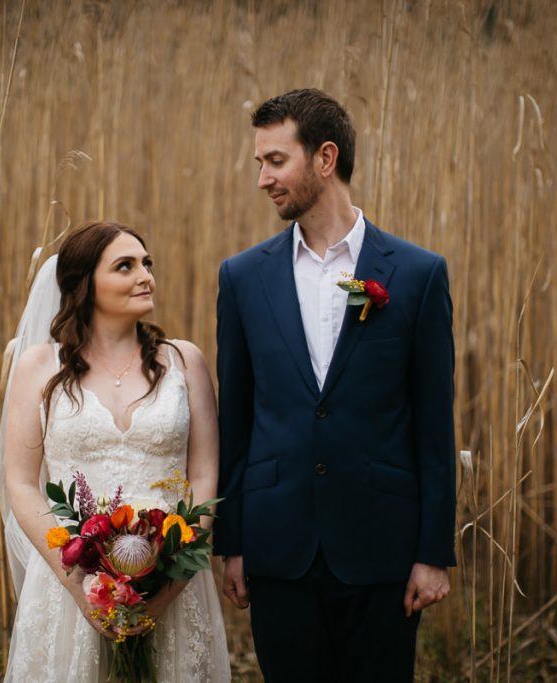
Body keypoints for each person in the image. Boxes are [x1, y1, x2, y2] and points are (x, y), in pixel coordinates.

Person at [214, 89, 457, 681]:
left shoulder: (419, 275)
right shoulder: (243, 277)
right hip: (278, 547)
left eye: (276, 160)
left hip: (381, 549)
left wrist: (432, 553)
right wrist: (233, 541)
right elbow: (236, 421)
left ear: (325, 158)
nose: (263, 179)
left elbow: (433, 426)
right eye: (259, 164)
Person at [0, 221, 231, 682]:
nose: (145, 276)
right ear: (84, 283)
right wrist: (81, 585)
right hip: (70, 581)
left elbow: (205, 476)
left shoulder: (184, 361)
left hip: (173, 578)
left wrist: (169, 587)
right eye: (125, 266)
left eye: (147, 264)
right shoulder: (38, 366)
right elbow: (21, 484)